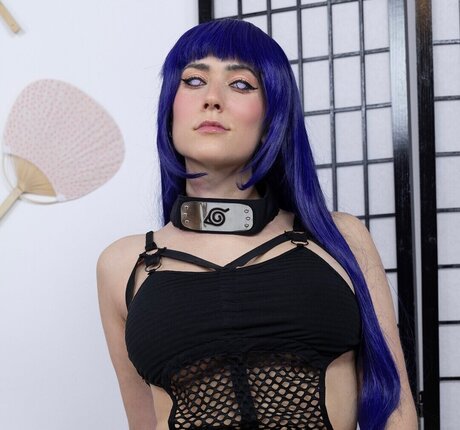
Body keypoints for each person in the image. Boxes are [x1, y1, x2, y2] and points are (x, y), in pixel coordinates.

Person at [97, 19, 418, 430]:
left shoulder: (339, 239)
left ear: (272, 117)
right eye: (193, 80)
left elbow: (395, 409)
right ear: (169, 110)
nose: (212, 99)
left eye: (241, 84)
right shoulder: (123, 265)